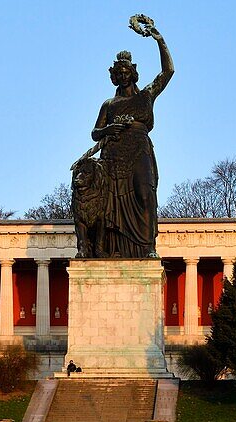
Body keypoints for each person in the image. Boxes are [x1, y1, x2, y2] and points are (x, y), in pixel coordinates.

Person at [87, 22, 174, 258]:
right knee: (111, 205)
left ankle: (148, 249)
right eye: (119, 73)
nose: (123, 76)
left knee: (145, 194)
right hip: (114, 155)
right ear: (115, 76)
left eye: (127, 72)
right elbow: (95, 133)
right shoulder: (109, 104)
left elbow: (168, 72)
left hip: (140, 150)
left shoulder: (147, 95)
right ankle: (116, 249)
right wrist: (109, 129)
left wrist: (160, 40)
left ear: (133, 73)